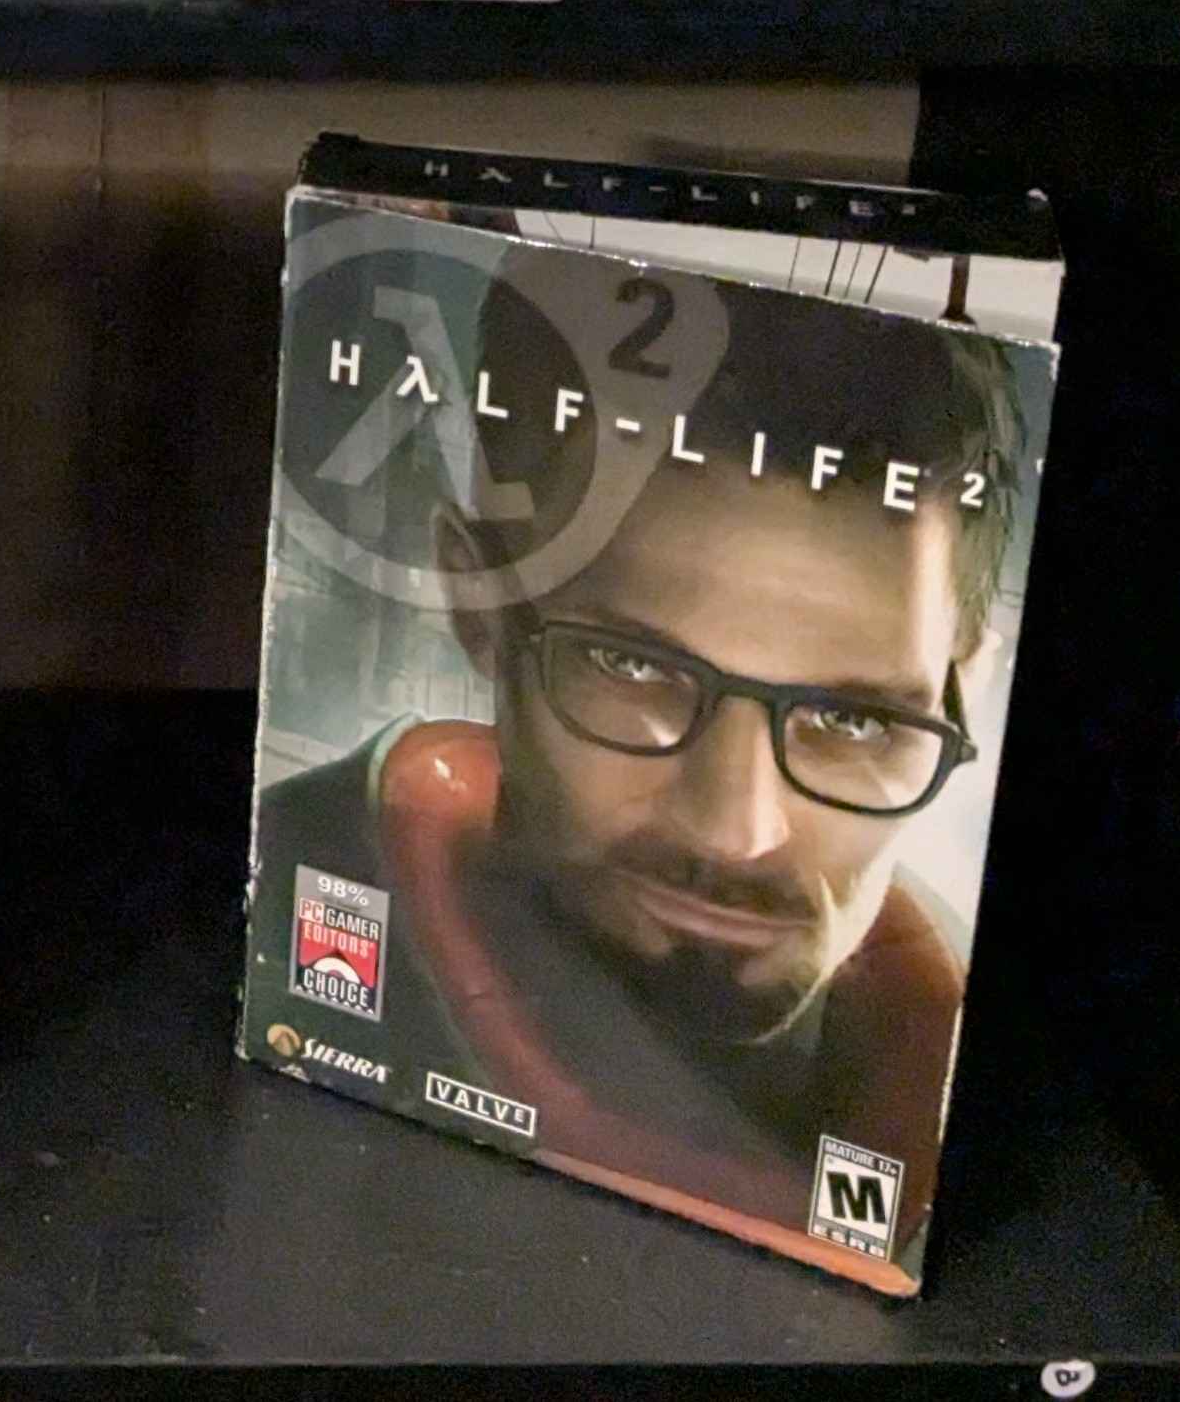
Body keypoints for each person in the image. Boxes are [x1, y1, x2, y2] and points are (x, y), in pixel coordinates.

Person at [251, 272, 1021, 1263]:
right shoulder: (281, 900)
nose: (735, 830)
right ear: (477, 602)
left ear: (964, 693)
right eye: (635, 667)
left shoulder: (979, 1097)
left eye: (852, 718)